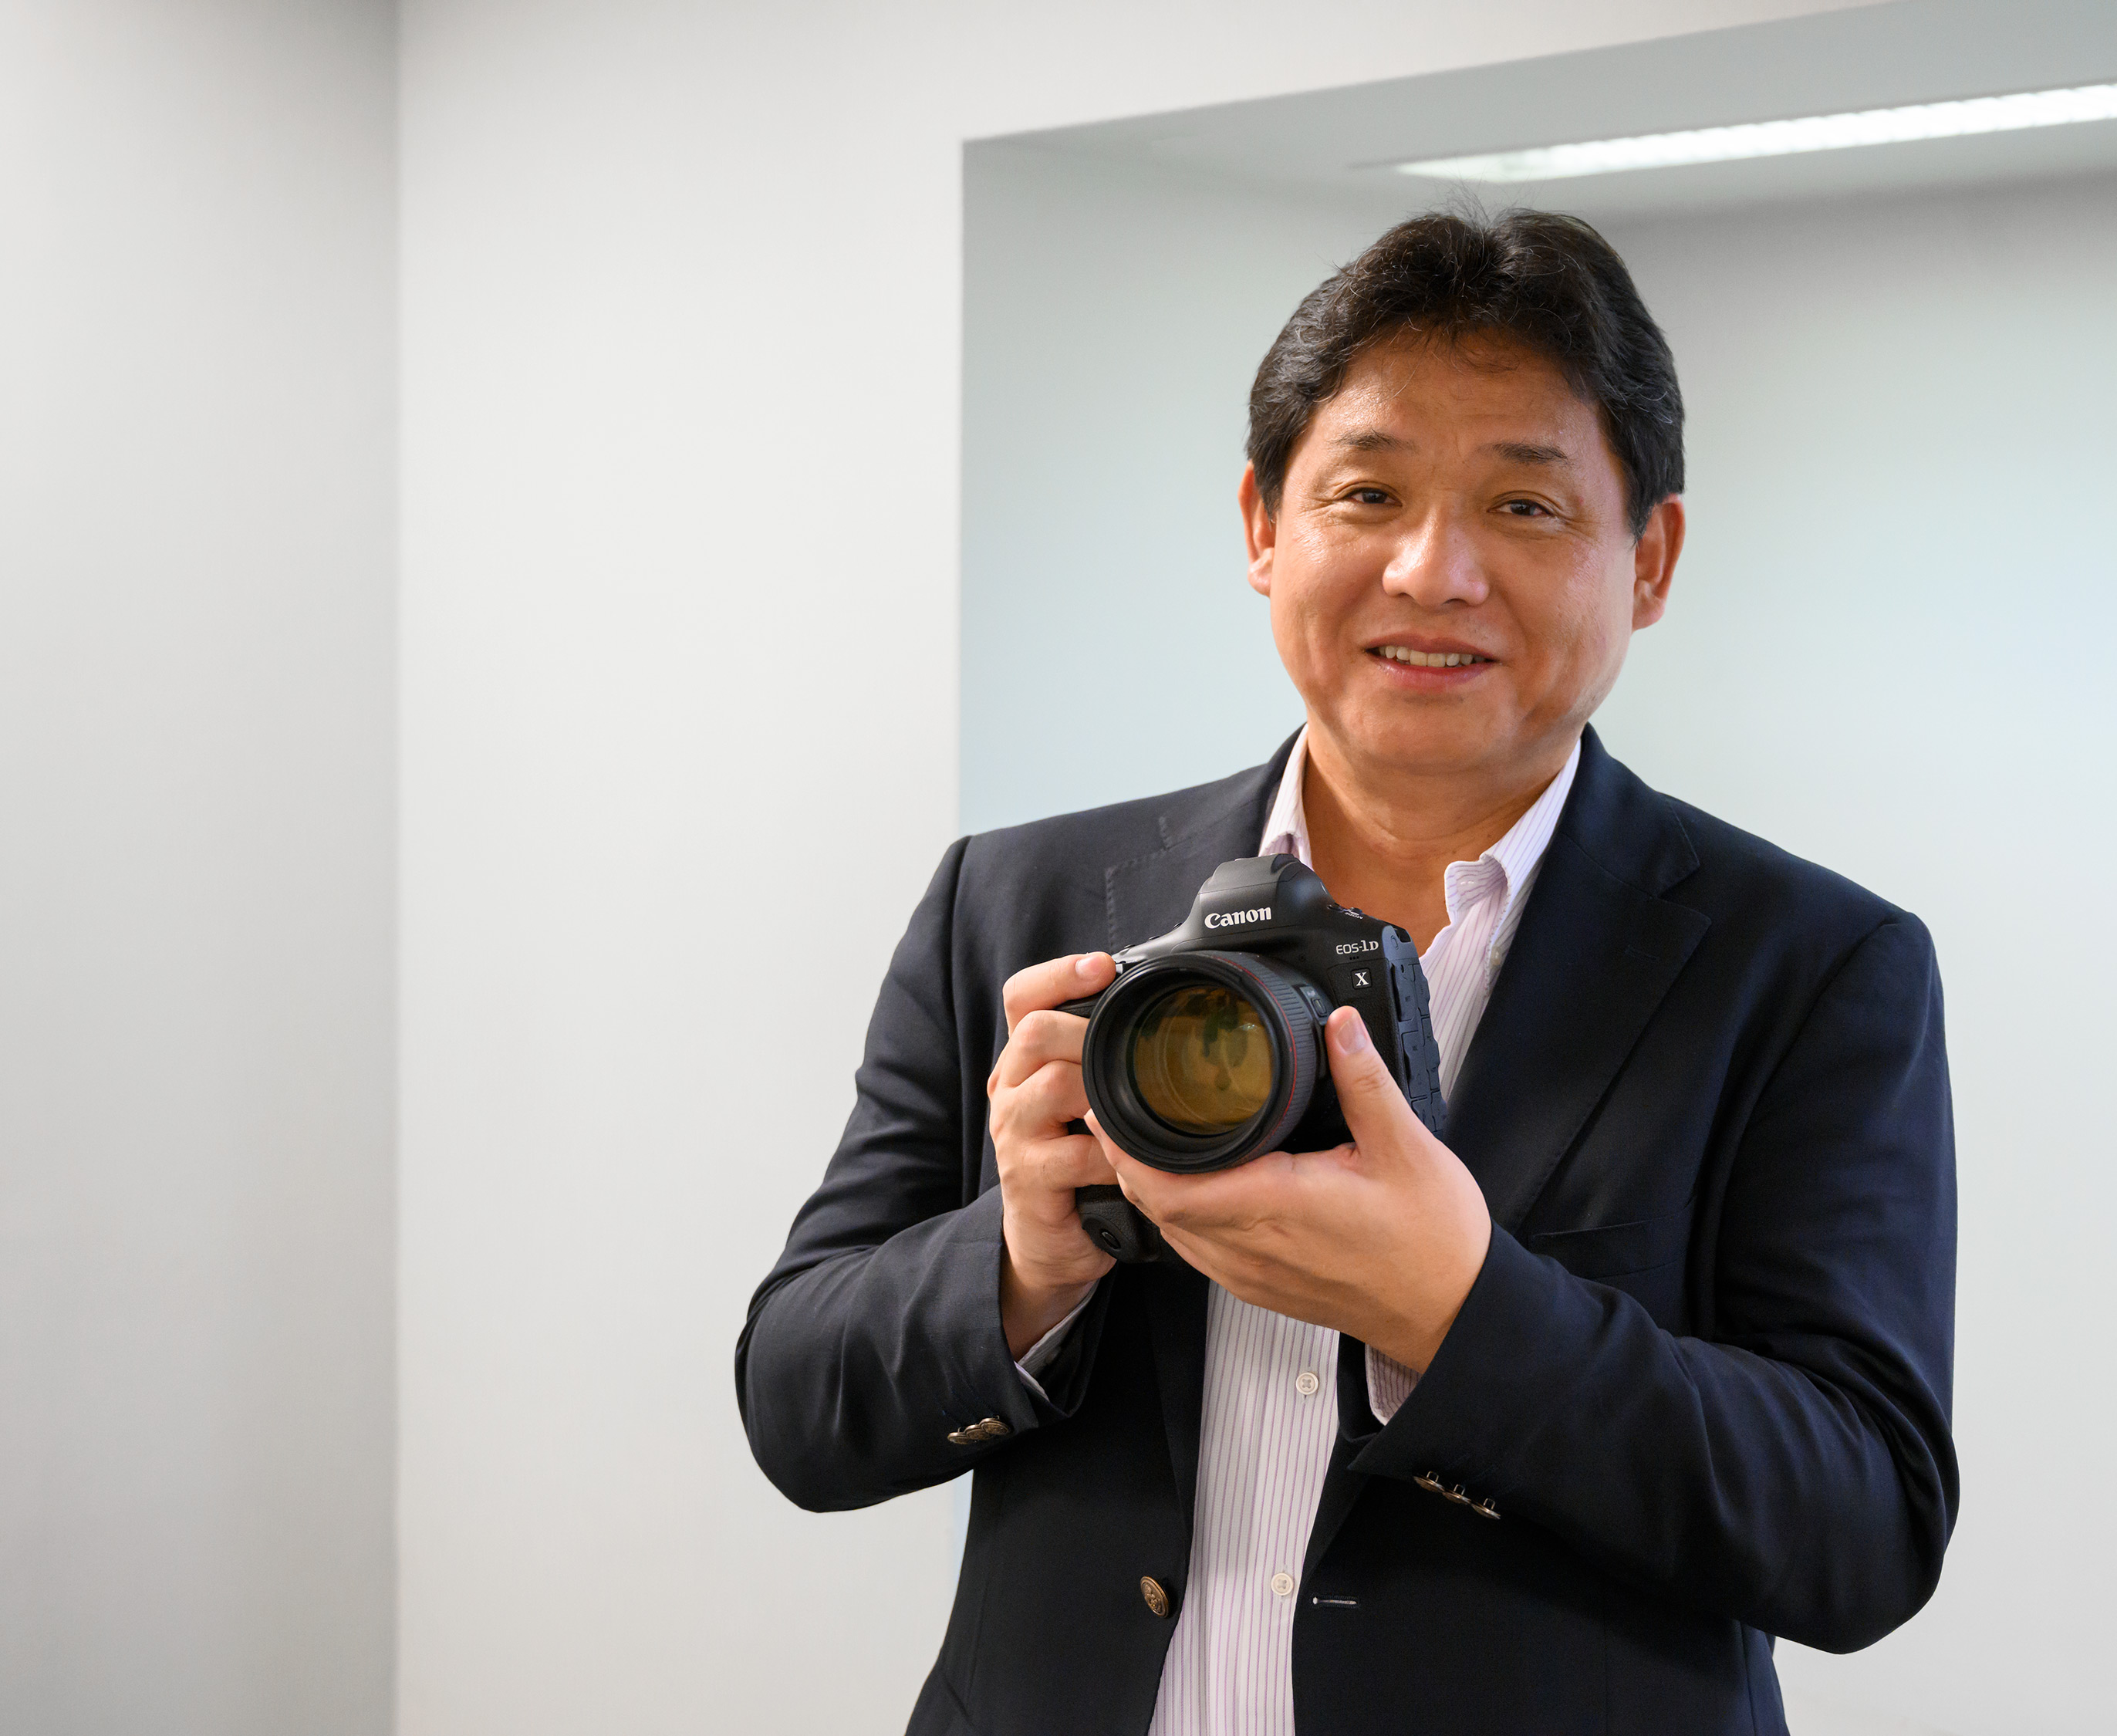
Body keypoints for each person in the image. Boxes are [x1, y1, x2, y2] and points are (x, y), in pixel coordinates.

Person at [736, 209, 1958, 1736]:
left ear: (1649, 560)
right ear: (1264, 524)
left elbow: (1862, 1525)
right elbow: (795, 1402)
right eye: (1367, 493)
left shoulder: (1810, 966)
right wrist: (1024, 1261)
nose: (1432, 571)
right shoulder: (1025, 900)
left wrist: (1463, 1309)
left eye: (1524, 505)